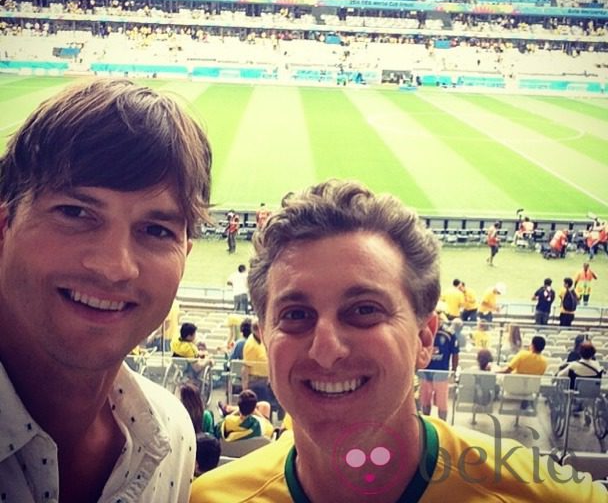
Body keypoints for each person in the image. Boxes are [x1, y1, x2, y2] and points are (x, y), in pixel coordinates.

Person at [191, 179, 602, 502]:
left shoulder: (552, 497)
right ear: (265, 337)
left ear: (425, 336)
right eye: (296, 315)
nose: (327, 349)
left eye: (364, 310)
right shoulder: (207, 499)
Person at [0, 78, 212, 501]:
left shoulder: (173, 438)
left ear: (184, 255)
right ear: (4, 228)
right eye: (75, 212)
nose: (116, 267)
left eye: (155, 230)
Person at [420, 316, 459, 421]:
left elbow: (455, 354)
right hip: (425, 372)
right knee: (425, 400)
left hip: (441, 373)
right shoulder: (422, 332)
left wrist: (454, 371)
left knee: (442, 403)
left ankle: (443, 424)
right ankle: (426, 421)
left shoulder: (449, 334)